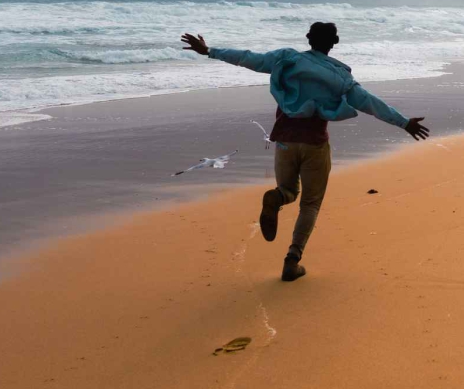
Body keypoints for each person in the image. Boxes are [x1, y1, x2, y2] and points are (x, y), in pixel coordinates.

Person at [180, 22, 429, 282]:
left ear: (308, 38)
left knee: (287, 191)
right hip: (315, 144)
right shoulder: (342, 78)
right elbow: (370, 103)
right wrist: (404, 123)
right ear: (335, 42)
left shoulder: (288, 59)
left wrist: (210, 51)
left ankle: (276, 198)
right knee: (310, 204)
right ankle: (292, 260)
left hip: (284, 141)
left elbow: (248, 58)